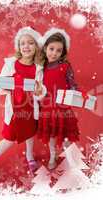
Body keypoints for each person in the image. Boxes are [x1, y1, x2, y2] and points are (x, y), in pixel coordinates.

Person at [0, 27, 43, 174]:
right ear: (18, 46)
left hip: (30, 109)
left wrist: (38, 91)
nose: (26, 46)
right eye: (22, 43)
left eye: (30, 43)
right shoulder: (11, 63)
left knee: (30, 132)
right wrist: (14, 83)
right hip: (15, 110)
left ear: (36, 47)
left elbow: (41, 90)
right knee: (9, 138)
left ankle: (29, 156)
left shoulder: (38, 68)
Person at [36, 28, 80, 170]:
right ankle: (52, 155)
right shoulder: (41, 68)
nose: (54, 53)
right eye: (51, 49)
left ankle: (71, 159)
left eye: (58, 50)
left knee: (66, 137)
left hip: (63, 107)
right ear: (45, 48)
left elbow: (72, 84)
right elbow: (38, 87)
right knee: (52, 136)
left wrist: (77, 94)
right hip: (47, 107)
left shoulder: (65, 66)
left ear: (63, 52)